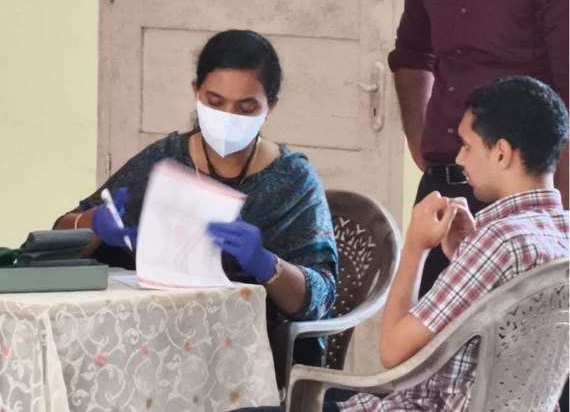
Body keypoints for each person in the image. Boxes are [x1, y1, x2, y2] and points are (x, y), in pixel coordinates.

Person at [232, 75, 569, 412]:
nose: (459, 158)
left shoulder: (497, 242)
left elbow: (393, 353)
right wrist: (463, 253)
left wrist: (415, 247)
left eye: (467, 145)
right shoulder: (561, 233)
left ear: (501, 153)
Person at [53, 29, 338, 366]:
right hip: (148, 343)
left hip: (246, 356)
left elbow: (321, 298)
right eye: (215, 102)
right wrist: (94, 224)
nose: (228, 117)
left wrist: (266, 263)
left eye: (246, 108)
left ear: (270, 105)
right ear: (196, 91)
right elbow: (54, 243)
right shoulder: (164, 160)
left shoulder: (293, 180)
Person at [386, 0, 569, 299]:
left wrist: (559, 221)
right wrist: (420, 144)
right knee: (426, 339)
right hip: (444, 193)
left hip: (526, 208)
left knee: (517, 344)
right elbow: (412, 55)